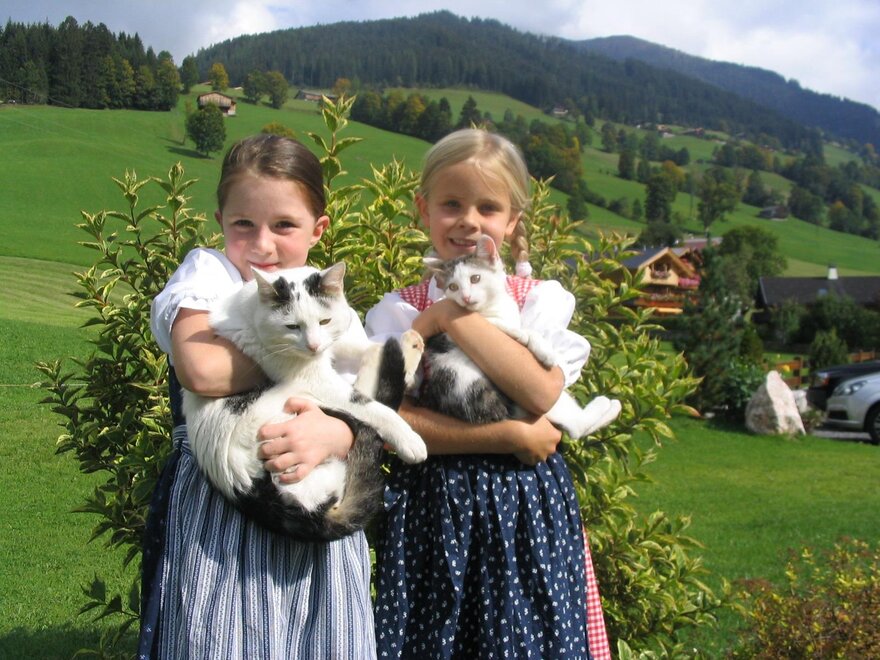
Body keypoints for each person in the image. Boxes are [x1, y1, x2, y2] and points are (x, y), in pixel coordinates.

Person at [366, 128, 612, 659]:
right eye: (451, 204)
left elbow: (540, 392)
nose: (468, 220)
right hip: (433, 508)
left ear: (512, 221)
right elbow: (388, 420)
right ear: (423, 210)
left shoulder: (537, 301)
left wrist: (450, 318)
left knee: (525, 634)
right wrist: (506, 436)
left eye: (488, 207)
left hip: (523, 509)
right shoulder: (398, 312)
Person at [138, 134, 376, 659]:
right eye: (243, 224)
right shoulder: (211, 274)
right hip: (223, 511)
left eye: (284, 225)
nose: (262, 245)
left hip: (318, 507)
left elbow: (365, 405)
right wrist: (305, 360)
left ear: (318, 230)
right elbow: (202, 369)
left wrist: (339, 432)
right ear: (220, 220)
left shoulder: (323, 300)